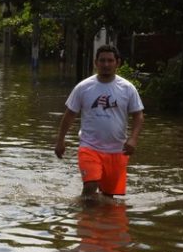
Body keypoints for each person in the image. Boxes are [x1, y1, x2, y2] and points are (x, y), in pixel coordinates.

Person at [54, 44, 145, 196]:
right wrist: (60, 140)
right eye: (102, 61)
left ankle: (98, 217)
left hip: (117, 150)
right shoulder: (83, 87)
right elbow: (70, 114)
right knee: (90, 186)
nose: (106, 64)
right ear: (96, 63)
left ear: (118, 63)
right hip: (89, 147)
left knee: (110, 197)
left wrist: (133, 139)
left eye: (110, 61)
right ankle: (84, 216)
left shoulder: (128, 88)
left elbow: (138, 115)